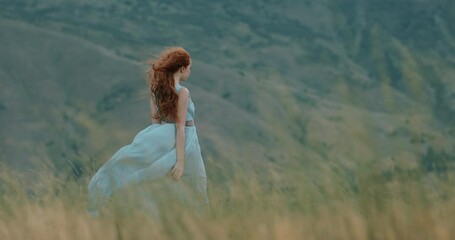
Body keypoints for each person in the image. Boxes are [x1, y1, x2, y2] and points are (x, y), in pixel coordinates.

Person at [87, 46, 210, 219]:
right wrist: (180, 160)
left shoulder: (156, 89)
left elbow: (155, 121)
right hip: (187, 138)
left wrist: (159, 146)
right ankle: (202, 220)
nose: (190, 71)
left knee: (150, 172)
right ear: (181, 68)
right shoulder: (183, 92)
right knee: (197, 182)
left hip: (162, 135)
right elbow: (181, 127)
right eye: (189, 68)